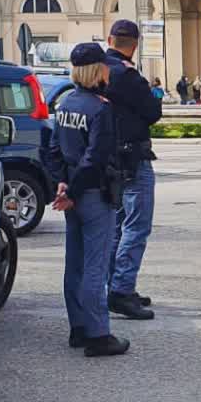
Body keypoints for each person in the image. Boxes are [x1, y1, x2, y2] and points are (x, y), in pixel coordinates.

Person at [39, 43, 129, 358]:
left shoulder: (64, 104)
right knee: (96, 265)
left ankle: (78, 327)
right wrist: (73, 191)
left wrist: (62, 186)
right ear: (97, 69)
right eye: (104, 65)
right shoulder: (100, 108)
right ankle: (98, 334)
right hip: (92, 194)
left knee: (74, 264)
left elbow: (52, 150)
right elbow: (95, 159)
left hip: (73, 193)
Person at [103, 19, 162, 321]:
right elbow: (153, 113)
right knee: (136, 226)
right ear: (135, 44)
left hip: (109, 158)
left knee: (116, 226)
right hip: (133, 158)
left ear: (109, 39)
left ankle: (114, 284)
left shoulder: (98, 70)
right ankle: (122, 291)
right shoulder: (128, 75)